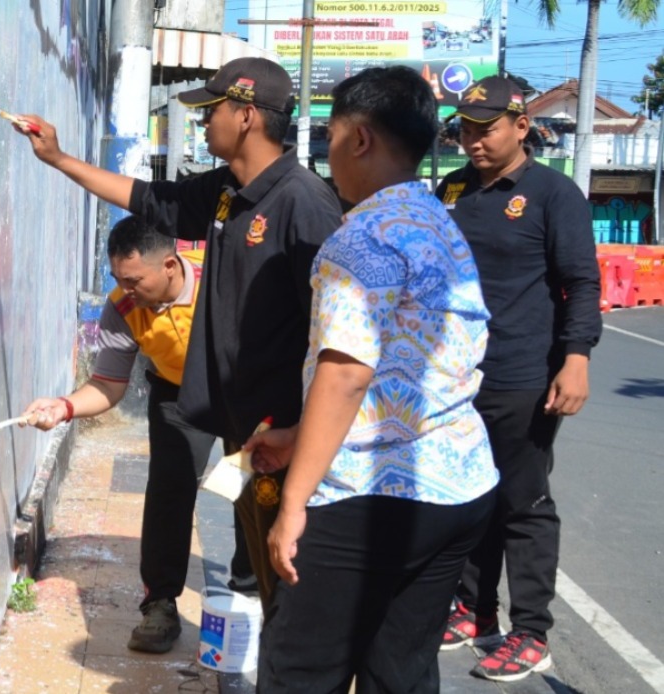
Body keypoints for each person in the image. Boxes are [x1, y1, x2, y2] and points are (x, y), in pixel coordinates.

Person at [18, 57, 343, 618]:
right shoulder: (225, 191)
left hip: (279, 426)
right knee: (192, 506)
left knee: (286, 568)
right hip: (224, 409)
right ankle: (171, 607)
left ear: (245, 115)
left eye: (211, 110)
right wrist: (57, 159)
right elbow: (145, 198)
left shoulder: (303, 203)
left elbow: (334, 337)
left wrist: (300, 428)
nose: (202, 122)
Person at [247, 65, 499, 691]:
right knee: (400, 671)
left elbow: (347, 374)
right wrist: (305, 433)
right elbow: (409, 367)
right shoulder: (441, 225)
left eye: (331, 135)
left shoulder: (360, 238)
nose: (328, 152)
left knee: (301, 669)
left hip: (367, 495)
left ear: (360, 139)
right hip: (458, 487)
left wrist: (296, 503)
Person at [435, 75, 602, 682]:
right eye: (465, 128)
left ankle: (531, 632)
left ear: (521, 126)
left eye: (486, 128)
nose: (472, 139)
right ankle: (476, 613)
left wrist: (576, 357)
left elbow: (581, 281)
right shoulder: (451, 188)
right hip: (455, 374)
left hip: (523, 372)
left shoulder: (553, 194)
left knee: (522, 501)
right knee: (470, 495)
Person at [22, 216, 215, 654]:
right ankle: (160, 605)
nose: (126, 291)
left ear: (169, 265)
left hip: (245, 388)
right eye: (117, 279)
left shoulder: (220, 276)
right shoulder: (124, 307)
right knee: (169, 489)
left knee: (255, 494)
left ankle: (257, 599)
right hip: (176, 391)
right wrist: (64, 406)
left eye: (134, 281)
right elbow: (108, 385)